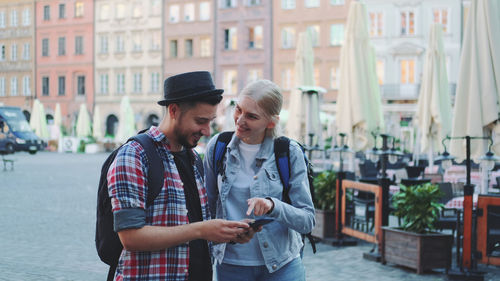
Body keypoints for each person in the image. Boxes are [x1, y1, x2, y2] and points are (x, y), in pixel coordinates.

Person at [107, 71, 251, 281]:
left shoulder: (193, 159)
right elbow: (130, 237)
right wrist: (201, 230)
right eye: (201, 121)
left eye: (210, 121)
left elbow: (194, 229)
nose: (207, 130)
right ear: (174, 110)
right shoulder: (135, 155)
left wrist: (229, 234)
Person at [204, 80, 315, 281]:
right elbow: (208, 208)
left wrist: (273, 206)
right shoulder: (218, 147)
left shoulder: (288, 152)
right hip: (231, 265)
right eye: (239, 109)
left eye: (252, 116)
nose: (239, 120)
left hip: (282, 265)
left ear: (271, 122)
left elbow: (307, 221)